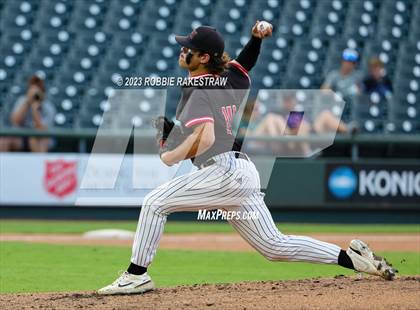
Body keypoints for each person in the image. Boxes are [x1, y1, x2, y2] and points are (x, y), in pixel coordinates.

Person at [98, 24, 395, 295]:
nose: (182, 50)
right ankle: (351, 258)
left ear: (203, 58)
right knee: (274, 246)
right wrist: (256, 38)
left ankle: (137, 274)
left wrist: (170, 153)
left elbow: (207, 139)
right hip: (241, 171)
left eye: (188, 47)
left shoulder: (198, 88)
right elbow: (244, 63)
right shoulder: (229, 80)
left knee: (154, 203)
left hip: (223, 172)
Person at [0, 75, 55, 152]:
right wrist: (27, 102)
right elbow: (14, 121)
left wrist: (35, 109)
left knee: (35, 139)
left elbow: (42, 129)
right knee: (3, 140)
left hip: (39, 138)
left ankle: (38, 163)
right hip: (21, 136)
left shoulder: (48, 107)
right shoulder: (22, 100)